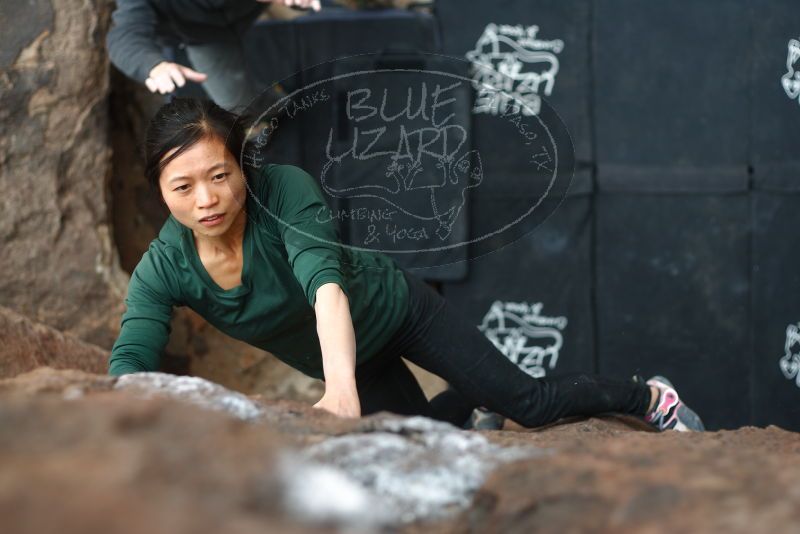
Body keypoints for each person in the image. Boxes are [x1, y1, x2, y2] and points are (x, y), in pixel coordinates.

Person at [109, 97, 705, 432]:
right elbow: (132, 356)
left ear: (243, 167)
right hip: (355, 359)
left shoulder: (283, 191)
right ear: (159, 191)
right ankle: (472, 405)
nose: (206, 199)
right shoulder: (163, 267)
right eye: (183, 186)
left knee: (530, 404)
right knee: (424, 443)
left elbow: (325, 291)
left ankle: (649, 399)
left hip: (395, 311)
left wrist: (339, 392)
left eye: (219, 176)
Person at [106, 0, 320, 110]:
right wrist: (152, 65)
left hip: (250, 11)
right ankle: (275, 106)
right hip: (201, 35)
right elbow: (126, 34)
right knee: (236, 105)